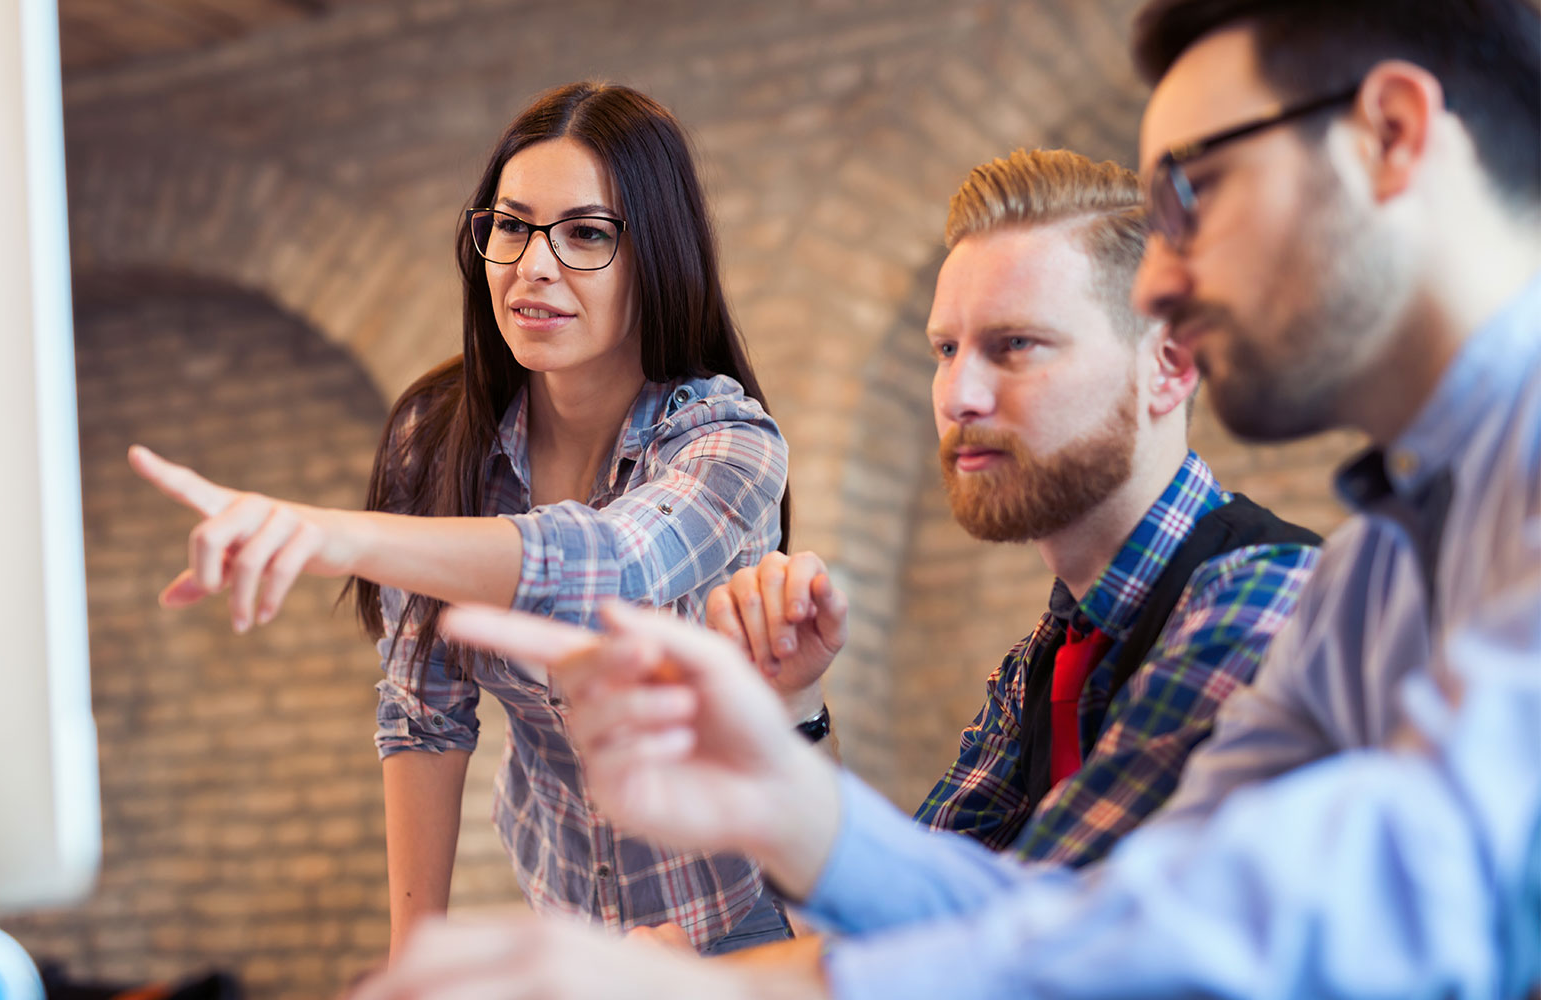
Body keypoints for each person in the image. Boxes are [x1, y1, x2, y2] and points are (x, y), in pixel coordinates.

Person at [350, 0, 1541, 995]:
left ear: (1390, 134)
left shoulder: (1293, 585)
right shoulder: (1381, 566)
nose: (1167, 278)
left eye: (1199, 191)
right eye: (940, 349)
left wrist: (716, 983)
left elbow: (1362, 896)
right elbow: (1074, 909)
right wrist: (785, 788)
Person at [130, 81, 795, 958]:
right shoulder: (438, 438)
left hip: (744, 921)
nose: (534, 268)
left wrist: (339, 535)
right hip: (568, 918)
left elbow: (614, 565)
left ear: (659, 257)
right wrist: (416, 962)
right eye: (512, 226)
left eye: (587, 234)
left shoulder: (728, 443)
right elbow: (422, 714)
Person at [708, 149, 1318, 874]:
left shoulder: (1264, 605)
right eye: (945, 348)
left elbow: (1002, 941)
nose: (957, 395)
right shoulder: (1046, 660)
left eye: (1015, 345)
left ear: (1170, 365)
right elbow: (901, 905)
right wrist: (792, 702)